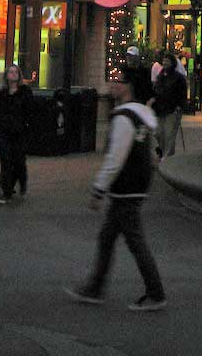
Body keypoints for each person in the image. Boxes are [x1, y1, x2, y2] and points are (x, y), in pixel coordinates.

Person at [66, 67, 166, 310]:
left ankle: (155, 293)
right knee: (108, 237)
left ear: (128, 86)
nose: (113, 84)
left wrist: (98, 189)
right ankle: (95, 287)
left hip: (126, 184)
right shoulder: (141, 115)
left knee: (134, 240)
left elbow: (115, 157)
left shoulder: (123, 117)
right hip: (137, 182)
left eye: (117, 80)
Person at [0, 64, 33, 202]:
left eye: (16, 72)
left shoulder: (25, 92)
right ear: (6, 75)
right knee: (6, 161)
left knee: (19, 161)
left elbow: (30, 112)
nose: (13, 74)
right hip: (3, 132)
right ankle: (6, 192)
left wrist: (27, 128)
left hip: (19, 132)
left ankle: (21, 182)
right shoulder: (2, 94)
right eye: (11, 72)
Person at [151, 53, 187, 158]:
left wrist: (179, 106)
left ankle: (167, 156)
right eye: (164, 61)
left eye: (167, 61)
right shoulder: (160, 76)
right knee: (158, 132)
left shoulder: (178, 78)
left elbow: (182, 93)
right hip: (159, 109)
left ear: (172, 63)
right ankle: (163, 150)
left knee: (169, 134)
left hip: (172, 109)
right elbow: (155, 90)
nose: (165, 63)